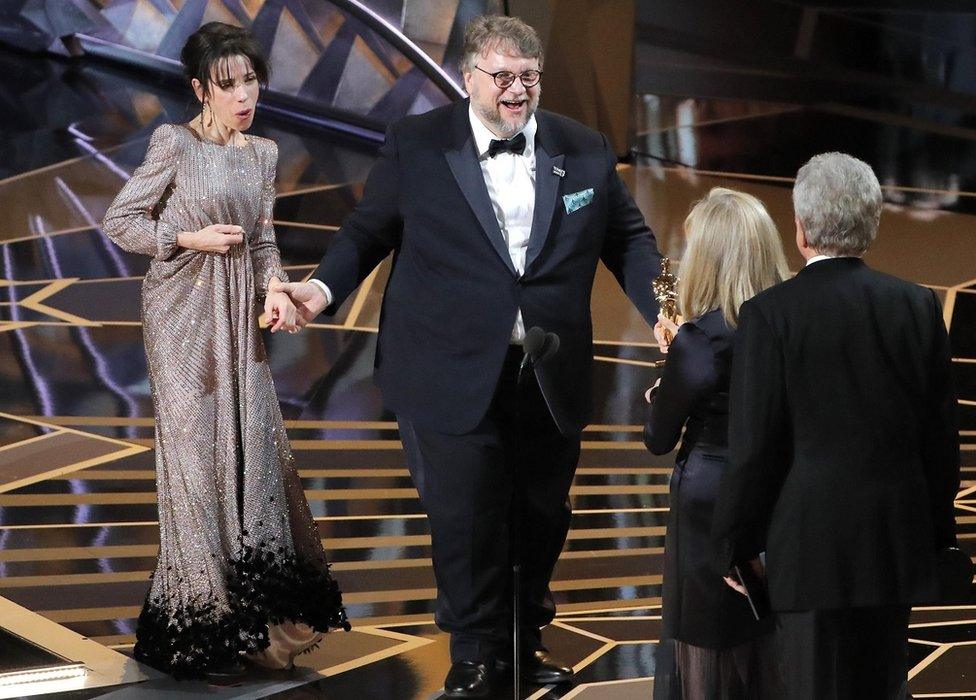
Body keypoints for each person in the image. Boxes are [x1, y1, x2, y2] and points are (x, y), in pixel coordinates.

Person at [272, 14, 660, 698]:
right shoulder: (418, 144)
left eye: (528, 79)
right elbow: (369, 231)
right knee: (468, 518)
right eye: (503, 78)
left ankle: (521, 640)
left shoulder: (585, 149)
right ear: (469, 77)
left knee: (541, 515)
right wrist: (319, 289)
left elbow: (627, 240)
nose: (517, 92)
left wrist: (667, 311)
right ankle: (477, 656)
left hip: (546, 369)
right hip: (444, 367)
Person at [101, 21, 348, 680]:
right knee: (196, 473)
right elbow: (122, 221)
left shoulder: (262, 152)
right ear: (199, 88)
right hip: (181, 324)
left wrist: (277, 290)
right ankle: (205, 639)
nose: (244, 95)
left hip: (242, 325)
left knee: (252, 464)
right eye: (228, 84)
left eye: (250, 81)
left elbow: (264, 242)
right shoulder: (173, 144)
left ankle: (242, 634)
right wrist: (187, 240)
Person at [712, 152, 960, 700]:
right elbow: (940, 440)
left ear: (800, 229)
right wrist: (937, 535)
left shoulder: (770, 314)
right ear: (872, 222)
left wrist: (734, 544)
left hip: (808, 550)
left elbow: (753, 448)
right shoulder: (917, 307)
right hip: (893, 543)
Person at [644, 188, 786, 699]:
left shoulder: (698, 341)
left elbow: (658, 438)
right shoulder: (786, 322)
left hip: (708, 505)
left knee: (706, 646)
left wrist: (667, 379)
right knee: (765, 635)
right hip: (776, 498)